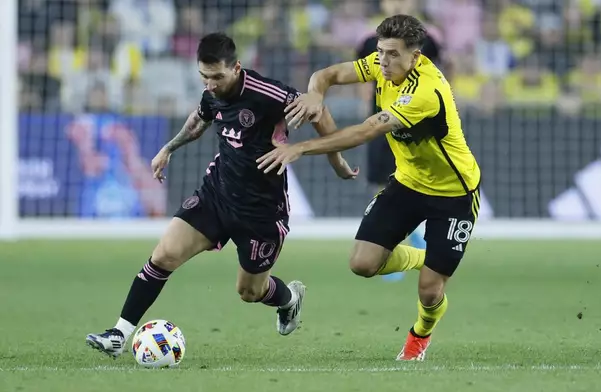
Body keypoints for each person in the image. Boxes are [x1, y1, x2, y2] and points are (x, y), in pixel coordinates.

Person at [85, 32, 358, 358]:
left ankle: (289, 300)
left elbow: (319, 112)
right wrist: (169, 148)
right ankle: (119, 334)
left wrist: (336, 159)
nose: (210, 84)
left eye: (217, 76)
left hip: (261, 211)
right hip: (217, 194)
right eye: (204, 76)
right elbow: (200, 119)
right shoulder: (211, 93)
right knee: (163, 256)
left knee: (249, 291)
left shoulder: (268, 94)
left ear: (237, 68)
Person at [257, 15, 481, 361]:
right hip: (408, 183)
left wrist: (300, 147)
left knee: (429, 290)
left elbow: (365, 131)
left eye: (393, 54)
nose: (384, 61)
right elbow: (326, 75)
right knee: (362, 263)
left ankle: (419, 335)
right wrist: (315, 94)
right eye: (380, 53)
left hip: (454, 193)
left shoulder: (426, 91)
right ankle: (429, 257)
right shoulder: (379, 65)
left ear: (416, 57)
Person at [356, 1, 444, 278]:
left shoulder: (428, 39)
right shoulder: (370, 41)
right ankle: (391, 241)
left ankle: (418, 237)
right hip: (383, 123)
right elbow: (365, 82)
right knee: (382, 182)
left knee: (420, 181)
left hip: (417, 125)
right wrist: (365, 116)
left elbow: (441, 77)